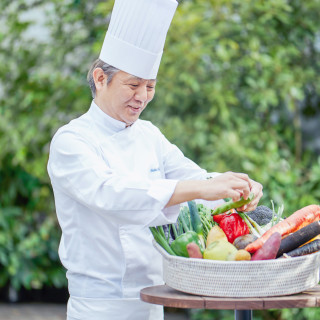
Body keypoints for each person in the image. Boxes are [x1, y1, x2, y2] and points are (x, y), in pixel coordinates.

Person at [47, 0, 263, 319]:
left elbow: (195, 179)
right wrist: (202, 188)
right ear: (100, 78)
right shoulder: (72, 141)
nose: (142, 96)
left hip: (153, 299)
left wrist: (235, 186)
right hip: (100, 305)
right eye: (133, 85)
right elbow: (112, 193)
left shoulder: (148, 135)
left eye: (150, 87)